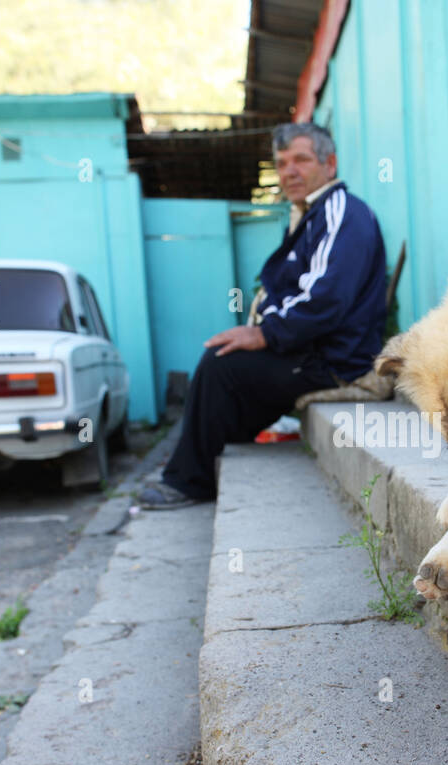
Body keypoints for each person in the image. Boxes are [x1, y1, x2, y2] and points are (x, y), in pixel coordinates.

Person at [138, 122, 388, 508]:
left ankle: (189, 482)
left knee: (221, 365)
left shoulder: (341, 212)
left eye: (301, 160)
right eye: (282, 163)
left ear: (330, 163)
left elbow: (326, 298)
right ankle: (200, 461)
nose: (289, 171)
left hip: (335, 360)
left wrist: (266, 334)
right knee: (226, 363)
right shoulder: (309, 217)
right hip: (308, 352)